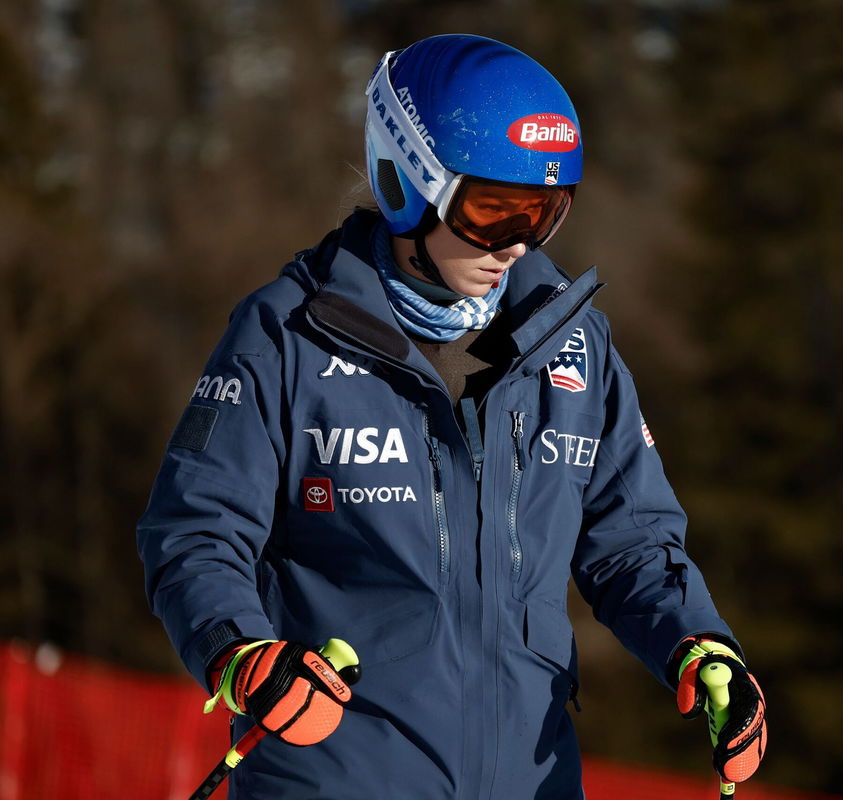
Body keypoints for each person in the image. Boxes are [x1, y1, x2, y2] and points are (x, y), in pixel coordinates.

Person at [137, 33, 766, 799]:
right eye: (492, 210)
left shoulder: (572, 344)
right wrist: (241, 654)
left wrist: (700, 646)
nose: (516, 244)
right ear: (406, 182)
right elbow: (196, 532)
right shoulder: (286, 334)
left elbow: (630, 544)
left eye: (543, 213)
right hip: (339, 778)